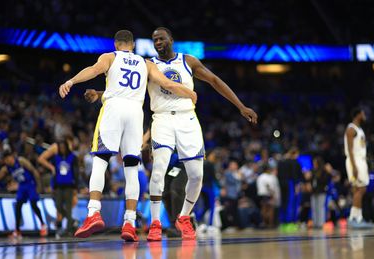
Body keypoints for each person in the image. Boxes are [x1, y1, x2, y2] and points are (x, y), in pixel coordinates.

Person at [84, 27, 258, 241]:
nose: (157, 42)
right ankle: (155, 223)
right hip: (162, 118)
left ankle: (184, 216)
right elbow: (128, 89)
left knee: (197, 175)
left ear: (171, 40)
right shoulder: (148, 64)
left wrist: (240, 106)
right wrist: (100, 94)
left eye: (161, 38)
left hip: (187, 118)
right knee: (158, 170)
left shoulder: (188, 61)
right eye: (154, 39)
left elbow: (214, 81)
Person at [58, 29, 197, 241]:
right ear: (132, 45)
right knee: (132, 167)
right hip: (135, 113)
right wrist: (189, 93)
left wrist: (71, 81)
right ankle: (130, 223)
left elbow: (94, 70)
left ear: (116, 44)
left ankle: (93, 212)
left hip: (113, 109)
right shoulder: (146, 63)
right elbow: (167, 84)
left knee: (101, 159)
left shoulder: (110, 57)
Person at [0, 150, 47, 238]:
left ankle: (43, 225)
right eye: (5, 160)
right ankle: (17, 230)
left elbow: (34, 171)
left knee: (33, 204)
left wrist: (39, 186)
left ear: (11, 156)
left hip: (30, 184)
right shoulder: (6, 168)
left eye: (8, 158)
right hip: (22, 186)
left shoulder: (21, 161)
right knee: (18, 206)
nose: (7, 161)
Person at [38, 140, 79, 237]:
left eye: (63, 147)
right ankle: (72, 221)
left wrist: (75, 187)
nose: (62, 149)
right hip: (59, 187)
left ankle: (69, 230)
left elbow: (75, 173)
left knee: (69, 209)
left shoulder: (73, 157)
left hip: (69, 186)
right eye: (60, 147)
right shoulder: (56, 158)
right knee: (58, 206)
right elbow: (55, 173)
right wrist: (53, 186)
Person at [344, 107, 374, 228]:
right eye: (363, 113)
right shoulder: (351, 129)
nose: (364, 114)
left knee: (358, 189)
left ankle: (357, 217)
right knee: (361, 189)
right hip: (355, 160)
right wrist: (354, 165)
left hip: (360, 160)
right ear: (358, 115)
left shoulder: (359, 129)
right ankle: (354, 218)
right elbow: (350, 150)